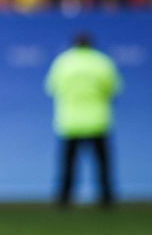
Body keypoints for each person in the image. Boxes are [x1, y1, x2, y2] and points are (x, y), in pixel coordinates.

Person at [45, 32, 122, 208]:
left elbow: (51, 88)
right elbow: (114, 88)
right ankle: (106, 199)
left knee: (68, 164)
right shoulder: (102, 62)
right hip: (98, 120)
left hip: (70, 122)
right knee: (102, 163)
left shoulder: (63, 62)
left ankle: (64, 199)